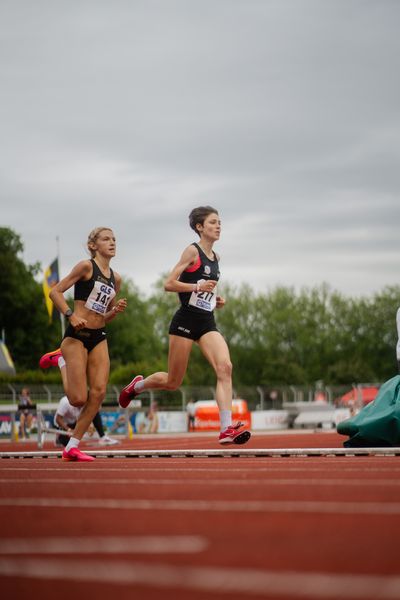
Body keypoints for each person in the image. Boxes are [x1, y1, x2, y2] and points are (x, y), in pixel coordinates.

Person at [119, 206, 251, 445]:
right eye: (213, 222)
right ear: (200, 227)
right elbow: (169, 284)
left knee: (225, 367)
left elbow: (206, 290)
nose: (218, 226)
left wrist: (215, 301)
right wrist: (198, 288)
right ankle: (137, 386)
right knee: (173, 382)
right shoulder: (192, 251)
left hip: (206, 321)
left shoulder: (216, 258)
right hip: (185, 320)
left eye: (220, 222)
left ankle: (225, 428)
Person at [47, 227, 127, 461]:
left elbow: (103, 315)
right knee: (78, 399)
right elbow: (55, 292)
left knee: (99, 392)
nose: (112, 242)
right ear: (93, 245)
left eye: (114, 238)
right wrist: (71, 315)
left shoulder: (116, 278)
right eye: (106, 239)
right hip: (75, 337)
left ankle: (72, 446)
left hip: (98, 336)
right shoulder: (85, 267)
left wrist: (115, 311)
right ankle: (60, 360)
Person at [39, 349, 120, 446]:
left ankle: (102, 437)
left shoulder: (88, 403)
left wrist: (89, 426)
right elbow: (58, 419)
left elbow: (86, 415)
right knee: (76, 400)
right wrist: (68, 429)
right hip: (63, 425)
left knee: (92, 406)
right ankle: (61, 360)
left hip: (75, 421)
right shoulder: (65, 402)